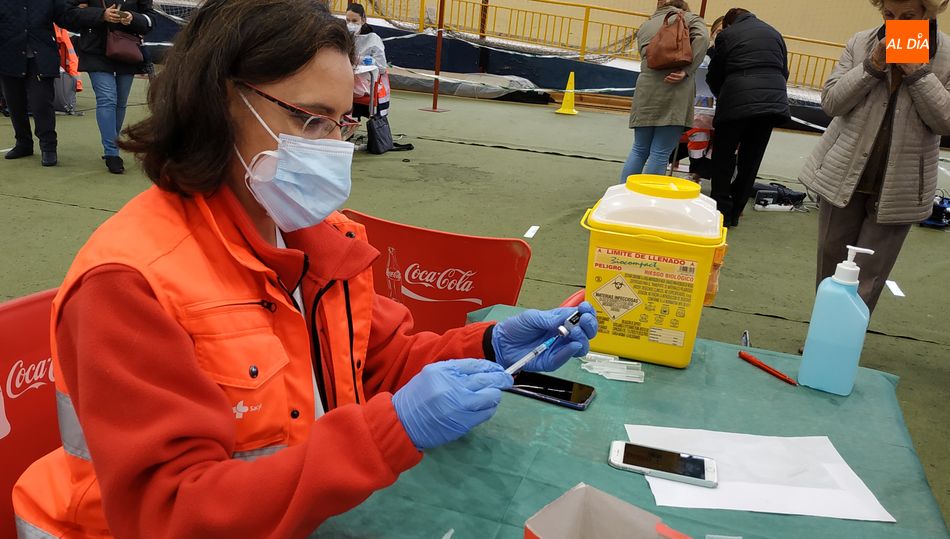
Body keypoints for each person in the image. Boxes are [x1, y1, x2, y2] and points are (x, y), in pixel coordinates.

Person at [11, 1, 598, 536]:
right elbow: (169, 512)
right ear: (218, 100)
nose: (331, 148)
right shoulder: (132, 284)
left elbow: (378, 363)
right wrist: (388, 433)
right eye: (309, 119)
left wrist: (490, 345)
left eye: (342, 123)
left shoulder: (317, 238)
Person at [800, 0, 950, 313]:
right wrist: (871, 66)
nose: (897, 23)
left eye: (908, 16)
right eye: (889, 15)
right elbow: (832, 102)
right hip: (843, 174)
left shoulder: (948, 56)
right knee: (830, 264)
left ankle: (845, 339)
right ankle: (822, 336)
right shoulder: (860, 43)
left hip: (902, 186)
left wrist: (918, 73)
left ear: (929, 13)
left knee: (870, 274)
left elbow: (945, 122)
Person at [705, 8, 790, 227]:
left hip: (736, 102)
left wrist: (721, 93)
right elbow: (784, 72)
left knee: (723, 157)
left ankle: (721, 212)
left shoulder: (728, 35)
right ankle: (736, 211)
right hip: (771, 104)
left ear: (728, 24)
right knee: (750, 161)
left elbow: (715, 72)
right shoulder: (775, 33)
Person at [62, 0, 154, 174]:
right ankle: (112, 152)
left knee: (120, 102)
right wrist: (100, 15)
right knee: (107, 99)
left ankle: (112, 144)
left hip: (127, 49)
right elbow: (68, 15)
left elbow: (151, 20)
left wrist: (133, 18)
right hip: (95, 50)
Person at [621, 0, 709, 181]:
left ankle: (624, 191)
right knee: (660, 152)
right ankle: (649, 198)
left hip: (646, 88)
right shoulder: (691, 19)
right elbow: (703, 39)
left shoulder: (646, 25)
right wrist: (686, 71)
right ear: (683, 8)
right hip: (675, 90)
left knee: (639, 149)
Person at [0, 0, 67, 167]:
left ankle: (48, 147)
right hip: (8, 56)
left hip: (41, 57)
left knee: (41, 103)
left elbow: (67, 16)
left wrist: (95, 15)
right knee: (14, 104)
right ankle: (23, 144)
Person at [346, 3, 390, 119]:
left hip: (366, 82)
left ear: (363, 20)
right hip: (347, 78)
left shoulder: (373, 39)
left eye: (354, 21)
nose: (351, 24)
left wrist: (370, 62)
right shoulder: (344, 37)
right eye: (348, 20)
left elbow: (382, 67)